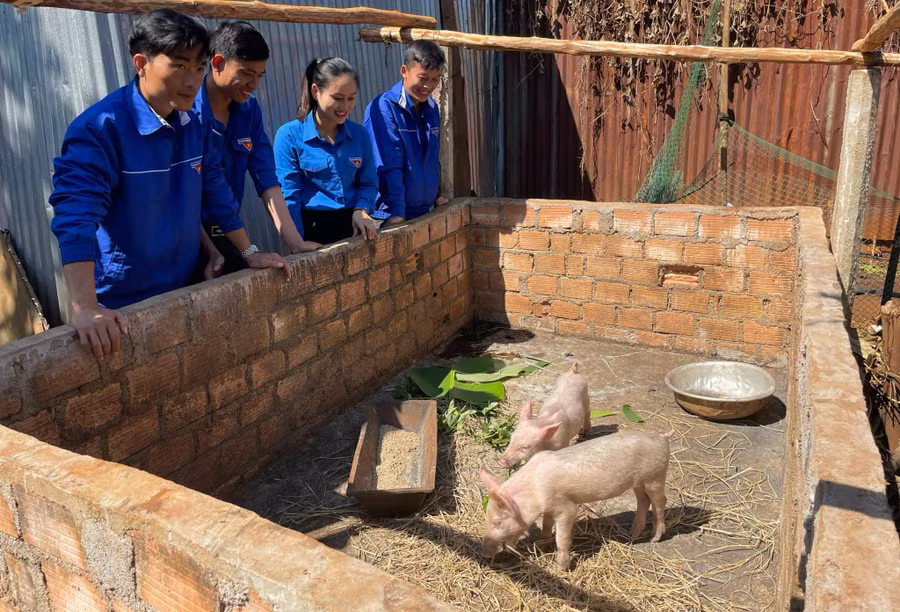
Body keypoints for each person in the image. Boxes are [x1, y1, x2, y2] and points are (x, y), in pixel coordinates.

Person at [49, 9, 289, 359]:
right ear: (141, 63)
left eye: (198, 67)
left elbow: (215, 190)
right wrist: (86, 307)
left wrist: (248, 252)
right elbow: (76, 218)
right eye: (179, 65)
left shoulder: (193, 123)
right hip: (124, 305)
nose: (192, 80)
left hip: (185, 287)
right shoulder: (101, 129)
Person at [195, 21, 319, 274]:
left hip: (227, 232)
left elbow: (266, 176)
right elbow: (210, 184)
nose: (254, 84)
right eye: (246, 73)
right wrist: (247, 251)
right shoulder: (190, 113)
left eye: (259, 76)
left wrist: (294, 241)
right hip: (190, 234)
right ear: (217, 63)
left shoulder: (248, 110)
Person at [273, 57, 377, 245]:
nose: (345, 106)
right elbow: (289, 196)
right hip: (312, 232)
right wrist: (297, 243)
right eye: (337, 98)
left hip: (355, 228)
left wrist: (361, 210)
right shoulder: (289, 137)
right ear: (315, 91)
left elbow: (368, 183)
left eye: (351, 98)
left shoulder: (360, 135)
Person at [364, 40, 449, 227]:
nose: (428, 86)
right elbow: (387, 165)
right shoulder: (383, 109)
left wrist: (436, 196)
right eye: (423, 78)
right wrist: (397, 212)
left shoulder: (431, 108)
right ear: (404, 71)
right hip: (390, 216)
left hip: (421, 212)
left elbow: (431, 158)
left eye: (435, 79)